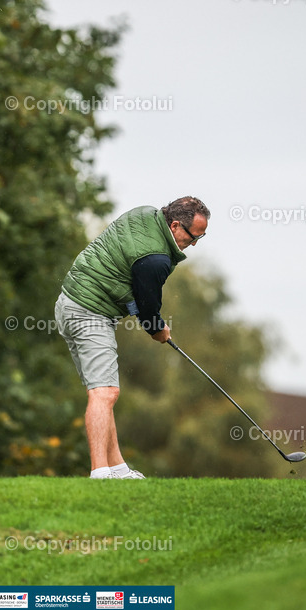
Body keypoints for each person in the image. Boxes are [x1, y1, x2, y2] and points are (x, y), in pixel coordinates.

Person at [55, 196, 210, 479]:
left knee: (102, 390)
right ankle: (100, 474)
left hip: (68, 303)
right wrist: (158, 329)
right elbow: (147, 305)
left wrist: (151, 320)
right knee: (105, 393)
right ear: (175, 225)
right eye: (192, 237)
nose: (195, 243)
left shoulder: (145, 213)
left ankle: (117, 468)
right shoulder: (156, 260)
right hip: (90, 312)